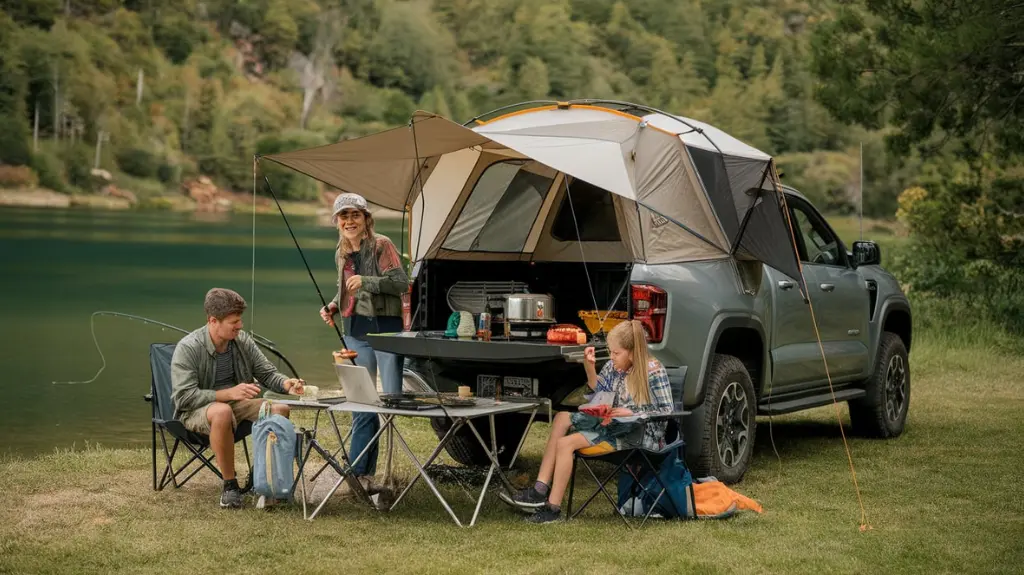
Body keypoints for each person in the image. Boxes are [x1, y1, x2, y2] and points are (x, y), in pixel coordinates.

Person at [501, 319, 673, 524]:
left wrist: (630, 412)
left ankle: (552, 510)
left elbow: (667, 410)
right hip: (613, 424)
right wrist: (590, 368)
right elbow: (600, 391)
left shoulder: (654, 371)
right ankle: (540, 490)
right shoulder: (615, 366)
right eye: (610, 352)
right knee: (561, 418)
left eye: (616, 353)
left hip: (638, 436)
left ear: (632, 351)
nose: (612, 357)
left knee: (566, 443)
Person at [171, 287, 305, 509]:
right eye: (234, 321)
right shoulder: (188, 348)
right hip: (197, 410)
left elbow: (267, 373)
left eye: (240, 320)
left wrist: (286, 384)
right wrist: (227, 394)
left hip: (238, 406)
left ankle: (263, 479)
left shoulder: (242, 341)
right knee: (222, 411)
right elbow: (184, 398)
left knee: (279, 409)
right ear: (213, 321)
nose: (240, 326)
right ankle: (230, 487)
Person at [316, 192, 409, 495]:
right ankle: (359, 474)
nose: (349, 221)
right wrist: (332, 305)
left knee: (391, 402)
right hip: (355, 332)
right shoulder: (340, 252)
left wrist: (367, 281)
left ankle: (390, 473)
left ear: (366, 219)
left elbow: (401, 283)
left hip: (386, 332)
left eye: (355, 215)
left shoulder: (382, 245)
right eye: (344, 216)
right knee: (361, 401)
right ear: (337, 222)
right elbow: (343, 289)